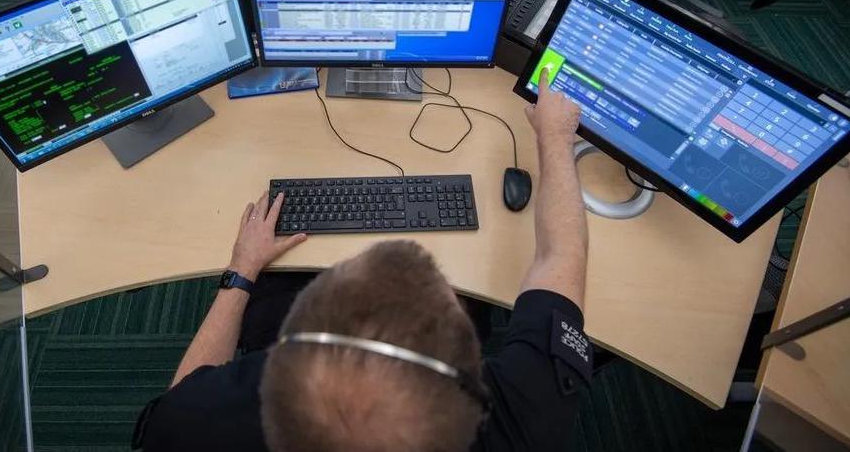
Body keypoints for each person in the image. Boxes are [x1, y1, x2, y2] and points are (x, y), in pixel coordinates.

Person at [134, 82, 592, 452]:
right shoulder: (513, 425)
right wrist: (553, 137)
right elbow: (561, 262)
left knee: (276, 282)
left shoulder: (209, 424)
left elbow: (177, 404)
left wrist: (242, 271)